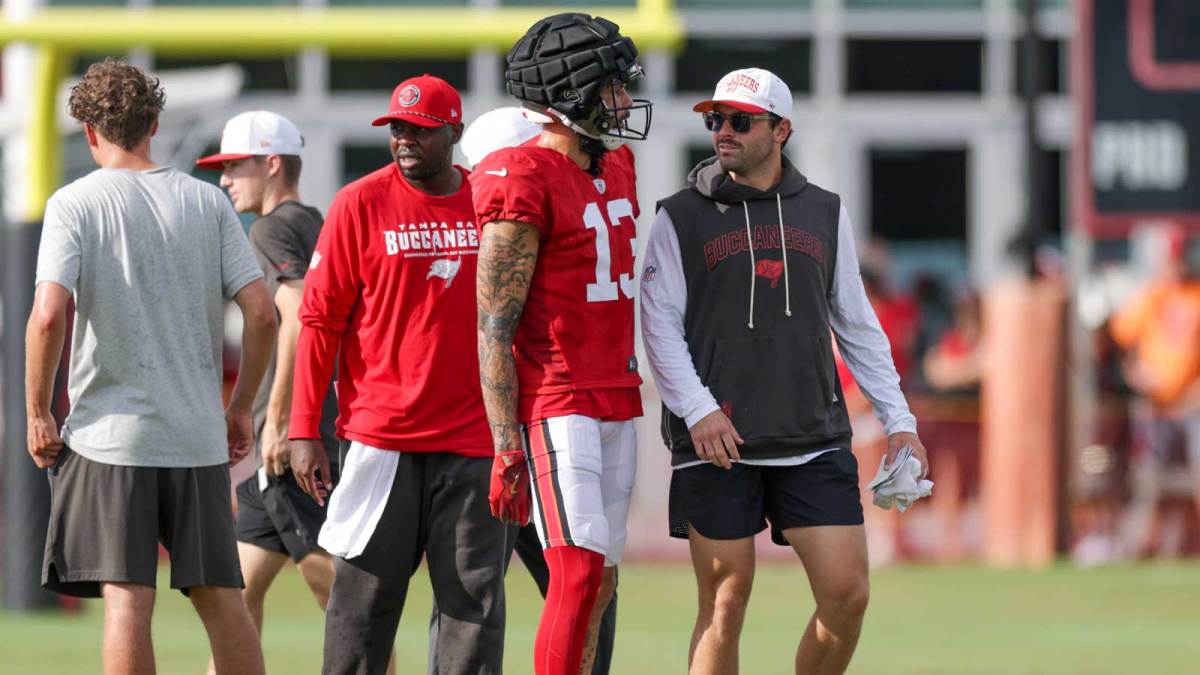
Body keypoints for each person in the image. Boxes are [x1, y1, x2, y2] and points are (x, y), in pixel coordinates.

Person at [639, 67, 930, 675]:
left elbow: (855, 320)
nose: (723, 131)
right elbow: (658, 324)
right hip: (717, 442)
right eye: (715, 119)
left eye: (740, 121)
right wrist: (698, 409)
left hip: (811, 434)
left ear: (781, 130)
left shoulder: (825, 211)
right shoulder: (679, 216)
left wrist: (898, 418)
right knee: (724, 602)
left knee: (847, 596)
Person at [27, 59, 274, 675]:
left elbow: (48, 318)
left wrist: (36, 411)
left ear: (88, 131)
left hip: (111, 440)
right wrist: (240, 406)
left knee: (126, 603)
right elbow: (263, 314)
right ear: (155, 123)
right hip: (196, 438)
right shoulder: (207, 202)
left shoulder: (72, 203)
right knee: (224, 600)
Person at [288, 74, 514, 675]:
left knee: (474, 607)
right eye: (397, 129)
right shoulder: (358, 202)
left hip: (474, 439)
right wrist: (304, 427)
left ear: (455, 133)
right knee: (362, 606)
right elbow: (318, 321)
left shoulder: (489, 200)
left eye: (421, 129)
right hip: (379, 439)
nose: (406, 140)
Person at [472, 13, 652, 675]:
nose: (626, 103)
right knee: (573, 572)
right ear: (572, 92)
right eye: (613, 88)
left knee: (601, 580)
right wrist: (505, 442)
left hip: (615, 394)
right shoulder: (523, 176)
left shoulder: (619, 164)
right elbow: (494, 324)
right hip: (558, 397)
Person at [194, 111, 370, 674]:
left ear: (272, 165)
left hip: (302, 437)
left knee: (341, 599)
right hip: (317, 427)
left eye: (234, 167)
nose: (224, 181)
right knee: (235, 591)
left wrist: (278, 420)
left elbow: (296, 313)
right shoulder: (315, 220)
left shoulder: (270, 228)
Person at [458, 106, 619, 675]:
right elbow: (490, 332)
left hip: (563, 407)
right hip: (517, 423)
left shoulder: (585, 175)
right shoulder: (511, 196)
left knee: (592, 579)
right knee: (486, 594)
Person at [1109, 225, 1200, 555]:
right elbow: (1120, 342)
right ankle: (1143, 545)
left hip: (1193, 405)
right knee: (1148, 481)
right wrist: (1137, 376)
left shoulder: (1196, 294)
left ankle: (1181, 545)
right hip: (1154, 406)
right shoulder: (1150, 296)